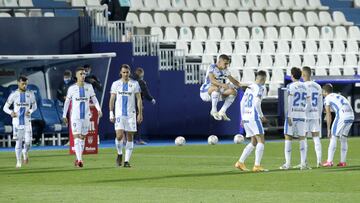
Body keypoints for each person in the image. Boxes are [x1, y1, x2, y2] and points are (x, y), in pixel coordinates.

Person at [62, 67, 102, 168]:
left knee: (82, 138)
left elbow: (94, 99)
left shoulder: (89, 87)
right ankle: (80, 160)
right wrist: (64, 115)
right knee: (77, 136)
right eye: (81, 74)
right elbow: (67, 102)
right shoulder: (72, 88)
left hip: (86, 116)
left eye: (84, 74)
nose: (83, 76)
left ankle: (78, 158)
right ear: (76, 76)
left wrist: (99, 109)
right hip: (75, 117)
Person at [109, 64, 143, 168]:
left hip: (131, 114)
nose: (125, 74)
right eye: (123, 72)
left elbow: (139, 99)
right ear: (120, 73)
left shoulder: (135, 84)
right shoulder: (115, 84)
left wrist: (140, 113)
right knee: (119, 136)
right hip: (119, 114)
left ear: (130, 72)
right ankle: (119, 153)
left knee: (130, 137)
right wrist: (111, 112)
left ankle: (127, 161)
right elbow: (112, 99)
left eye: (127, 72)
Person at [235, 70, 268, 172]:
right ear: (263, 79)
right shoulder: (260, 88)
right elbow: (257, 103)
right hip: (254, 117)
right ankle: (257, 166)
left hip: (246, 117)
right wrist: (261, 116)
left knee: (254, 141)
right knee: (261, 140)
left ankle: (240, 162)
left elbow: (241, 103)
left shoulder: (250, 87)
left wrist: (242, 118)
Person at [280, 67, 311, 170]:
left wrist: (288, 115)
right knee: (302, 138)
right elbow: (309, 103)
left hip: (292, 115)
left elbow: (289, 101)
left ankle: (288, 164)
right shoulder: (306, 86)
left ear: (292, 75)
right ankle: (303, 163)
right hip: (302, 115)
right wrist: (304, 112)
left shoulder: (290, 86)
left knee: (288, 137)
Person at [3, 75, 37, 168]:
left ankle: (25, 152)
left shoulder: (31, 94)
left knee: (28, 142)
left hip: (27, 122)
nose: (25, 86)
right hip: (17, 123)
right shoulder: (14, 94)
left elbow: (34, 107)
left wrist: (30, 111)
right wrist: (11, 112)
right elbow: (5, 108)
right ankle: (18, 161)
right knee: (18, 142)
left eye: (26, 84)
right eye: (23, 84)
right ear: (18, 83)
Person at [199, 54, 242, 121]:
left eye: (227, 64)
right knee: (216, 87)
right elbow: (212, 80)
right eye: (225, 63)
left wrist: (242, 85)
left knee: (233, 92)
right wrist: (222, 85)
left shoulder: (225, 70)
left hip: (217, 94)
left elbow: (233, 80)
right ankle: (213, 110)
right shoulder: (212, 67)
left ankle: (222, 112)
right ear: (219, 62)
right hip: (206, 93)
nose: (226, 65)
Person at [322, 84, 354, 167]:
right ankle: (343, 162)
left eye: (322, 92)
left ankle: (329, 161)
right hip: (351, 115)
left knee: (333, 136)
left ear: (325, 92)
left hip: (342, 115)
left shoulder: (327, 98)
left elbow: (328, 114)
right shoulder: (338, 95)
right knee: (343, 138)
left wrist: (328, 129)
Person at [299, 66, 323, 168]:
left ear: (303, 75)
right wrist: (319, 115)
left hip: (304, 115)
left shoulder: (302, 86)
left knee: (303, 138)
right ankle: (319, 161)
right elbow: (320, 103)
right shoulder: (318, 86)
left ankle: (304, 162)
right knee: (316, 138)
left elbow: (302, 102)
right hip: (315, 114)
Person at [131, 67, 156, 145]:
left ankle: (127, 139)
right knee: (138, 122)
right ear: (141, 73)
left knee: (129, 122)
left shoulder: (130, 80)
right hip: (137, 104)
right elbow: (145, 93)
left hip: (128, 104)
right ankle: (137, 139)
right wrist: (151, 99)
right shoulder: (141, 82)